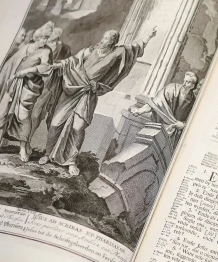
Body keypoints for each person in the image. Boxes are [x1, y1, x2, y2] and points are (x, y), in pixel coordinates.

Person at [38, 27, 157, 176]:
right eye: (104, 37)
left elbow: (134, 48)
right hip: (72, 88)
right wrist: (56, 65)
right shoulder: (92, 49)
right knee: (56, 123)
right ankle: (48, 153)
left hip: (88, 92)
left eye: (107, 38)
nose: (103, 40)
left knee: (78, 127)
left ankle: (71, 160)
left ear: (113, 42)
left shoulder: (117, 52)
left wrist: (148, 36)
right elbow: (73, 60)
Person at [0, 22, 55, 161]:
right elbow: (12, 64)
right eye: (42, 38)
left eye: (47, 38)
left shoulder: (46, 51)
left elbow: (46, 68)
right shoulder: (27, 47)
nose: (44, 41)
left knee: (23, 117)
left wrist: (27, 71)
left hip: (29, 87)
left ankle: (22, 149)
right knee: (1, 113)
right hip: (14, 84)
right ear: (37, 36)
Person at [130, 72, 199, 146]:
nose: (184, 84)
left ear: (192, 86)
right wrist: (140, 110)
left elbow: (193, 120)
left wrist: (183, 125)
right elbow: (156, 103)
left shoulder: (193, 102)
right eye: (184, 81)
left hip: (174, 135)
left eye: (187, 82)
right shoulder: (171, 89)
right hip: (159, 126)